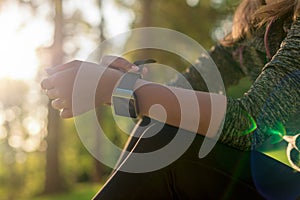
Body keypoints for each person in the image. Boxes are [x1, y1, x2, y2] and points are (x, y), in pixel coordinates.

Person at [41, 0, 300, 199]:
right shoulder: (252, 22)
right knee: (159, 126)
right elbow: (176, 95)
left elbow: (253, 123)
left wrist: (117, 87)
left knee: (167, 142)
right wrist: (121, 84)